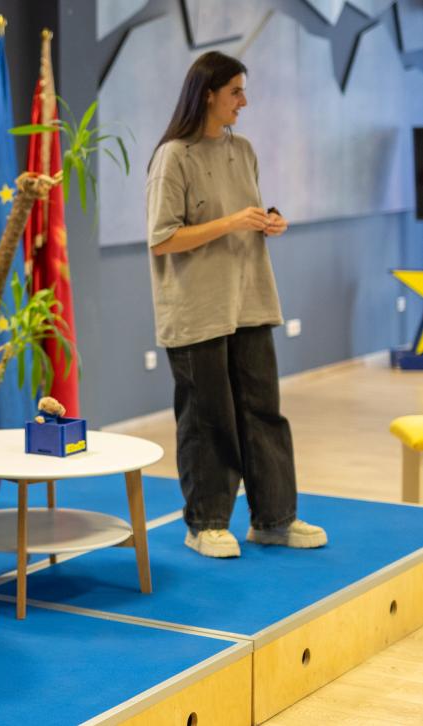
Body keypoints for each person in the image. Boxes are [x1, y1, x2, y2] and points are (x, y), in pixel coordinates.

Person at [145, 51, 327, 559]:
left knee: (263, 412)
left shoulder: (242, 150)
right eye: (235, 93)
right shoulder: (173, 157)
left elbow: (241, 213)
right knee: (210, 419)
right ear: (208, 93)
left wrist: (268, 221)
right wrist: (230, 222)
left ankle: (274, 519)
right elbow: (162, 240)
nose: (244, 102)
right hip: (196, 310)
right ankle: (205, 523)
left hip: (249, 300)